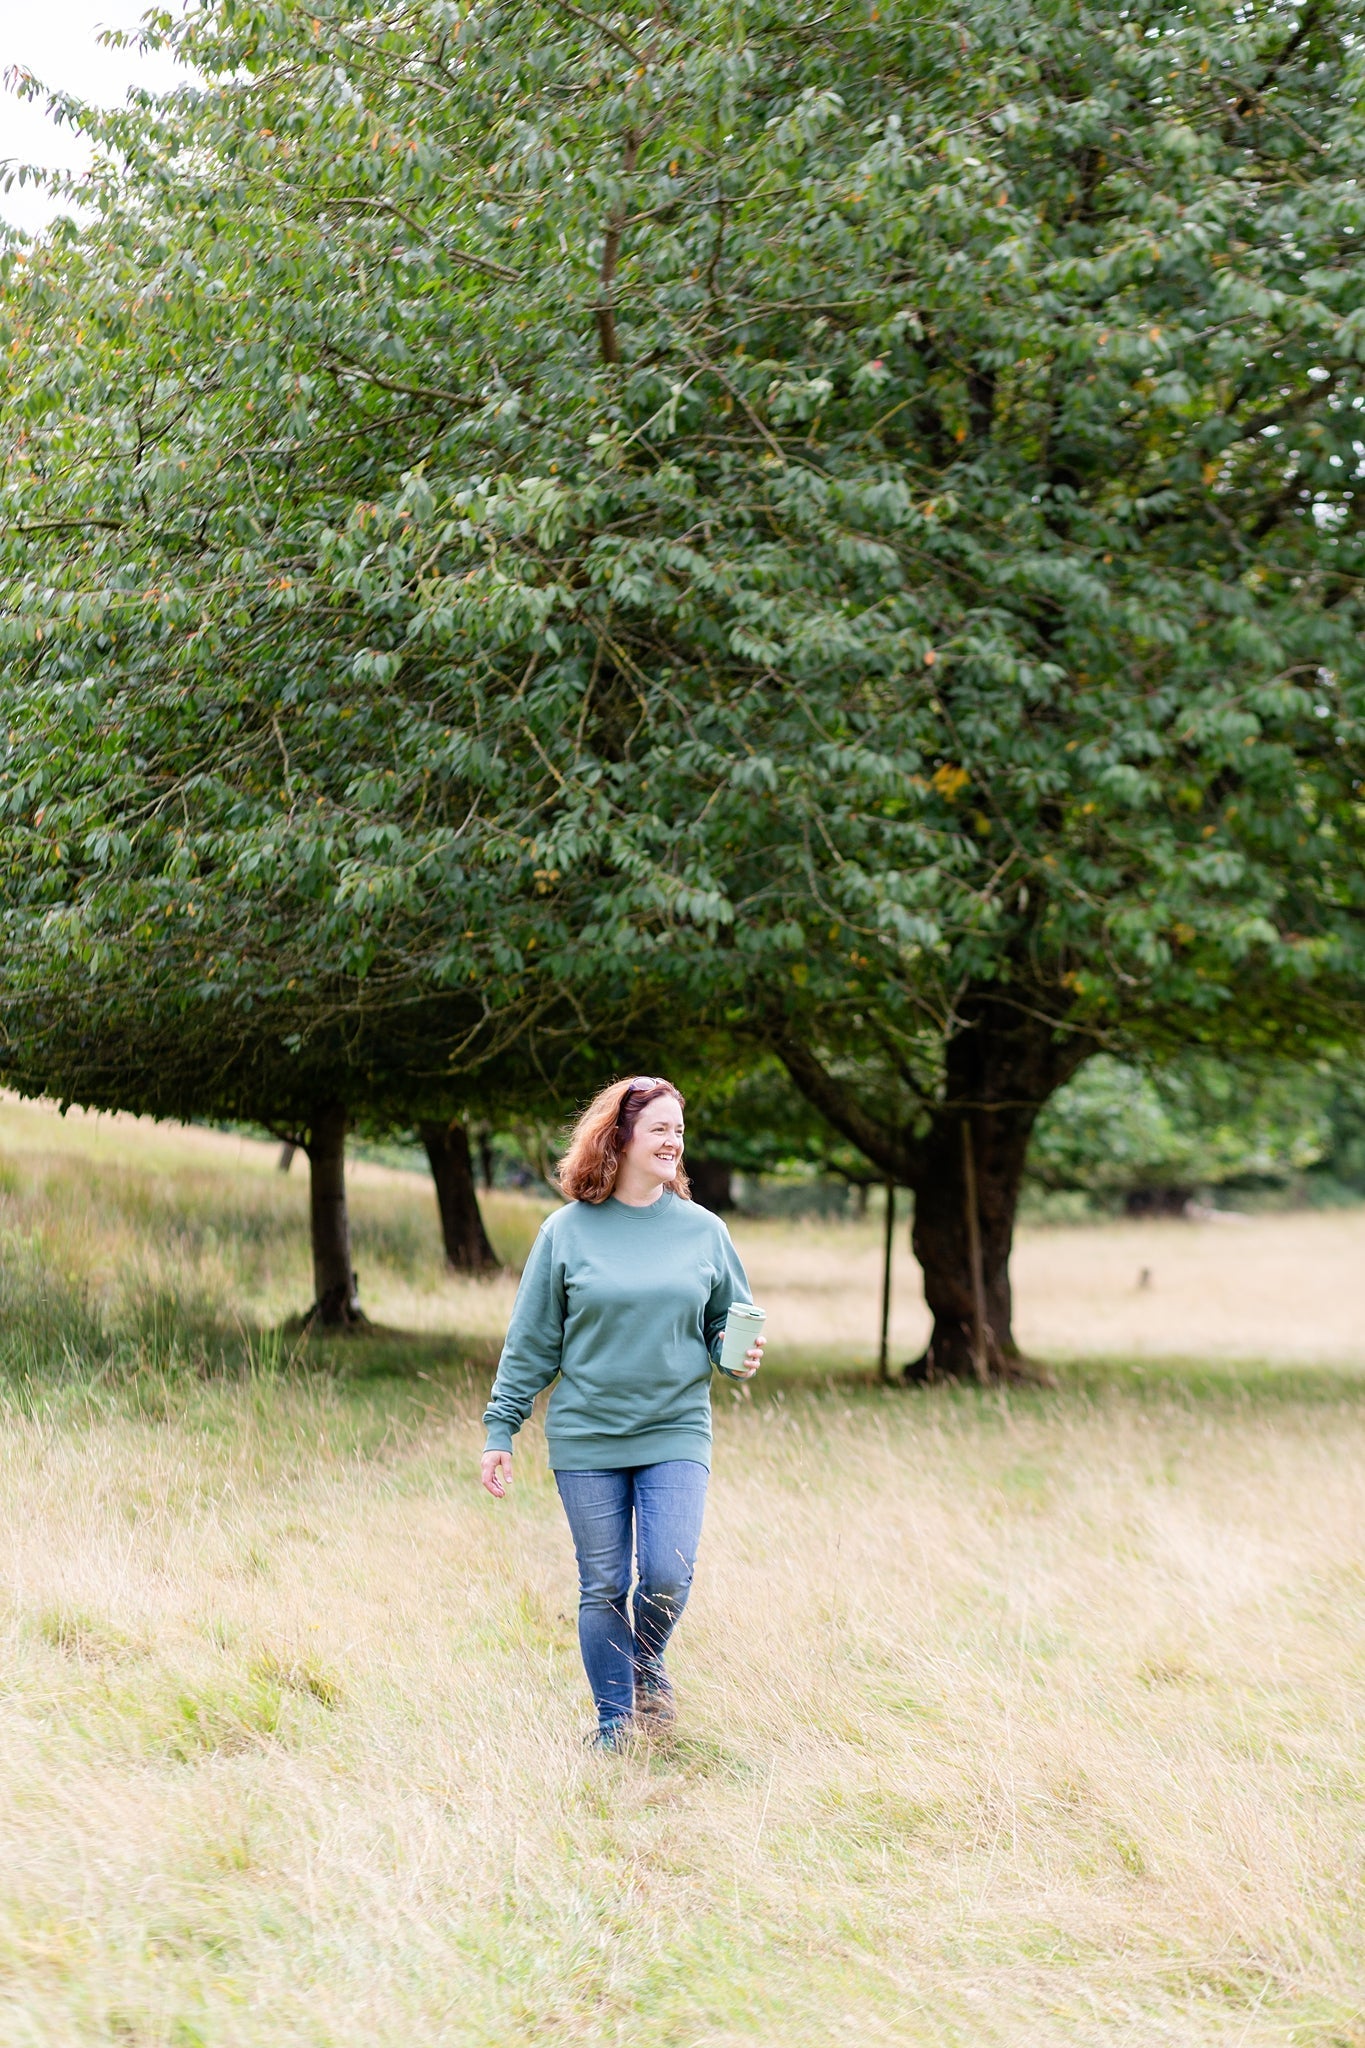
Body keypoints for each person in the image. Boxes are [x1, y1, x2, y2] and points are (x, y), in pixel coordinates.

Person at [480, 1075, 765, 1751]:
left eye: (679, 1131)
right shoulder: (565, 1232)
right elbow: (532, 1342)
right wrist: (502, 1427)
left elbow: (730, 1320)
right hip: (586, 1435)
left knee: (666, 1573)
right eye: (660, 1129)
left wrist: (734, 1352)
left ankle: (644, 1666)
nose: (673, 1143)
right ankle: (614, 1728)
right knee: (602, 1582)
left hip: (674, 1427)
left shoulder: (703, 1231)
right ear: (622, 1138)